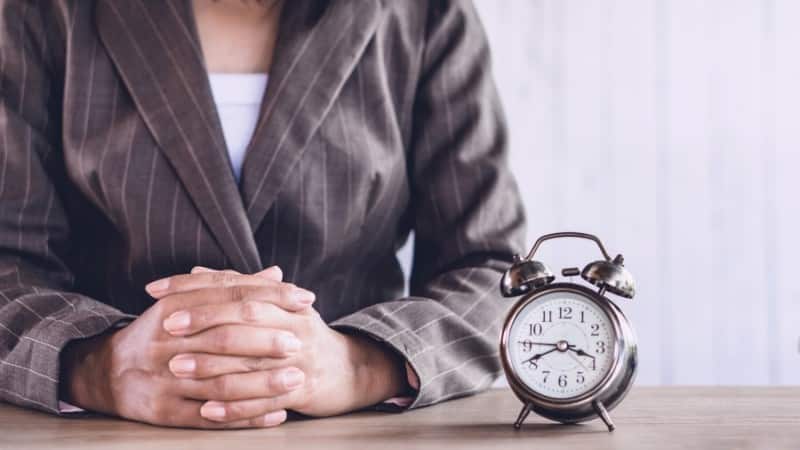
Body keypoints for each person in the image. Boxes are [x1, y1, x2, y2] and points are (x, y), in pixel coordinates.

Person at [0, 0, 526, 429]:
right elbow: (8, 261)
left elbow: (493, 272)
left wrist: (361, 365)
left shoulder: (427, 15)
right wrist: (101, 369)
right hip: (103, 434)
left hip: (359, 434)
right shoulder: (41, 15)